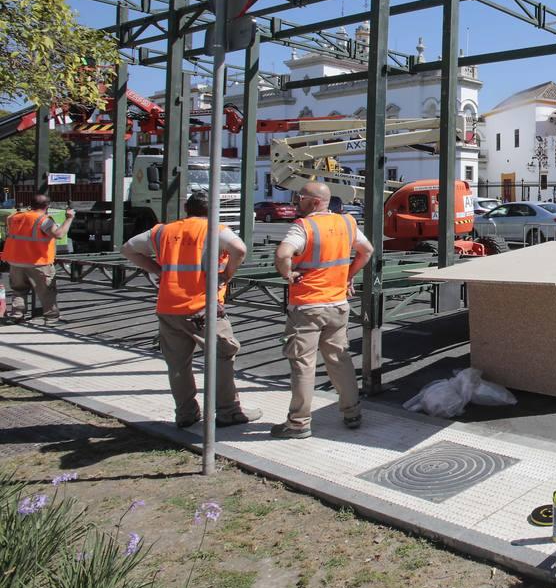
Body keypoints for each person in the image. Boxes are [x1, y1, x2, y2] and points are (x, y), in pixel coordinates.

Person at [121, 195, 261, 428]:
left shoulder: (162, 231)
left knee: (178, 364)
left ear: (186, 209)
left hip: (169, 306)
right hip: (203, 308)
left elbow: (128, 249)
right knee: (223, 356)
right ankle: (228, 411)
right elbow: (239, 248)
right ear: (213, 209)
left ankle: (186, 413)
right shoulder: (215, 229)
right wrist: (228, 273)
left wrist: (158, 270)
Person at [271, 182, 374, 438]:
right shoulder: (347, 223)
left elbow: (283, 253)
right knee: (340, 359)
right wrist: (348, 276)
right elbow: (367, 250)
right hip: (337, 304)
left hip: (307, 306)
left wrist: (288, 274)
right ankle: (352, 412)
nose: (296, 201)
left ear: (315, 202)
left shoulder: (303, 226)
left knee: (303, 365)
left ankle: (298, 423)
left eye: (300, 197)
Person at [3, 194, 75, 324]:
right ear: (47, 206)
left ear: (31, 204)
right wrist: (69, 218)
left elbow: (9, 221)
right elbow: (58, 234)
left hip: (15, 261)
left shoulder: (14, 217)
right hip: (38, 262)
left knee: (19, 290)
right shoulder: (44, 220)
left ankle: (17, 316)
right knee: (47, 292)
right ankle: (52, 318)